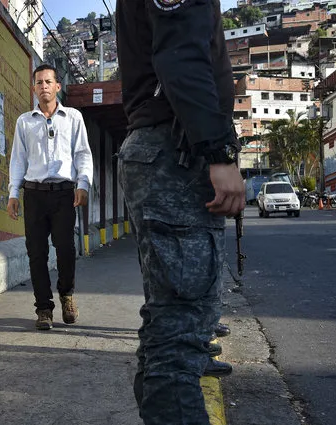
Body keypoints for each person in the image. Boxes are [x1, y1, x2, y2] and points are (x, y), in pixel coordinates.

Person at [115, 0, 245, 423]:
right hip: (176, 152)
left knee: (168, 321)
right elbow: (182, 58)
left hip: (166, 150)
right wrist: (220, 151)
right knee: (181, 329)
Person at [7, 64, 94, 330]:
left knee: (66, 249)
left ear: (58, 86)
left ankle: (66, 295)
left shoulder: (73, 117)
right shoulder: (25, 121)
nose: (43, 86)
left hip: (64, 194)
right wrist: (13, 193)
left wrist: (84, 184)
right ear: (34, 89)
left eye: (48, 82)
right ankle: (43, 309)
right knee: (36, 254)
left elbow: (82, 154)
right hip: (34, 194)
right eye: (39, 82)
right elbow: (18, 160)